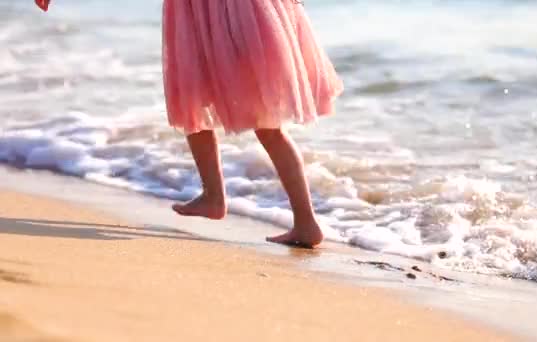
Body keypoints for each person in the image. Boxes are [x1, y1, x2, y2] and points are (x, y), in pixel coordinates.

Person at [36, 0, 343, 248]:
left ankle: (222, 198)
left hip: (218, 14)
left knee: (199, 99)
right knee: (246, 117)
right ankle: (293, 217)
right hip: (238, 14)